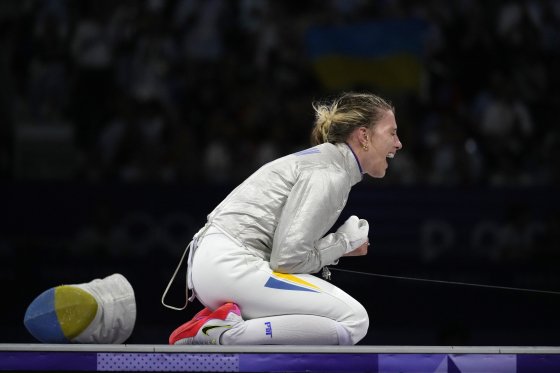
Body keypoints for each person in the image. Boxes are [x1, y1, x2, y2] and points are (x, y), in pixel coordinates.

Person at [164, 91, 402, 345]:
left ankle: (223, 325)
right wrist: (342, 243)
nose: (398, 143)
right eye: (392, 132)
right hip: (232, 265)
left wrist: (342, 246)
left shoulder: (328, 163)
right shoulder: (330, 173)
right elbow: (287, 260)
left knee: (335, 319)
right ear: (364, 136)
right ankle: (221, 334)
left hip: (218, 266)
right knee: (354, 320)